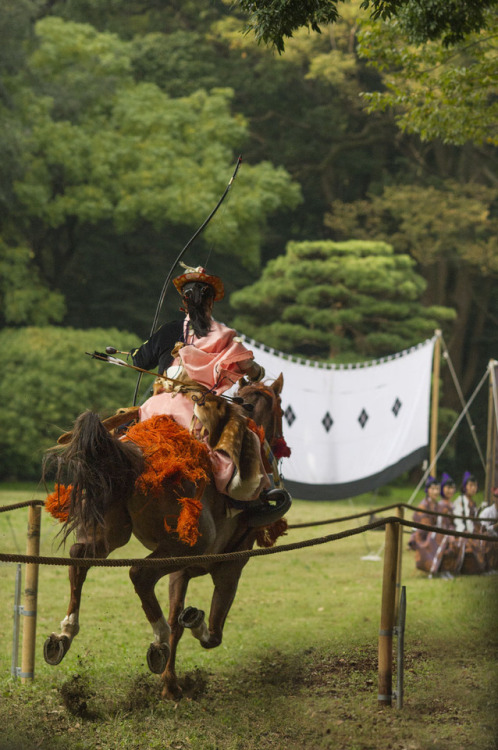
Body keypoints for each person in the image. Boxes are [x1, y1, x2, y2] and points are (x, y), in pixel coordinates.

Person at [127, 264, 291, 521]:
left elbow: (138, 361)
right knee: (249, 436)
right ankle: (249, 501)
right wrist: (257, 374)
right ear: (210, 303)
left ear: (184, 302)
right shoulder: (225, 335)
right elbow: (251, 369)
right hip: (197, 412)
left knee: (124, 430)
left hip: (154, 408)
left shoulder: (169, 330)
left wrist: (137, 351)